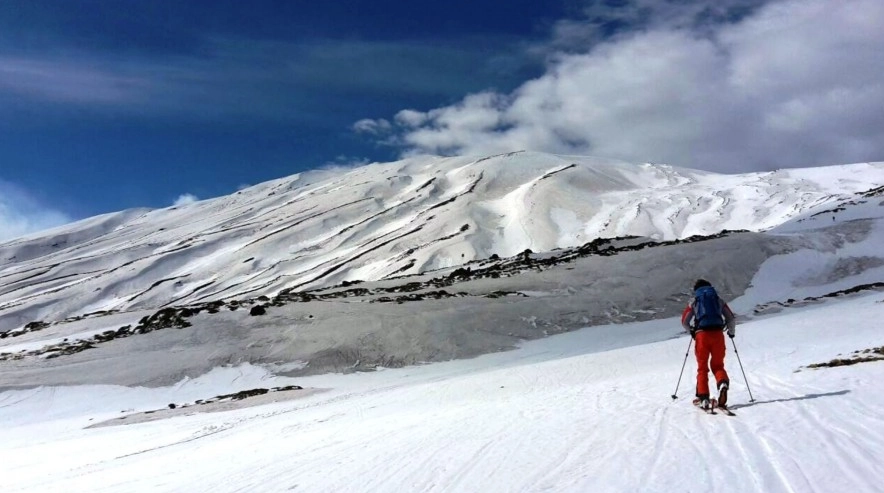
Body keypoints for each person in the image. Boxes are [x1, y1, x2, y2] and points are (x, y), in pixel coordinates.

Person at [681, 279, 736, 409]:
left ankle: (703, 397)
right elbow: (730, 318)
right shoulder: (718, 299)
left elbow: (684, 321)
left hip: (702, 336)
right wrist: (731, 332)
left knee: (702, 367)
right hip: (718, 335)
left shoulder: (695, 301)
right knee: (717, 365)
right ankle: (722, 382)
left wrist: (692, 332)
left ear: (696, 290)